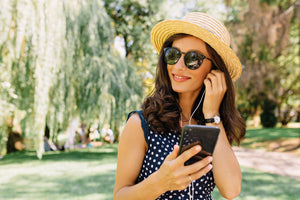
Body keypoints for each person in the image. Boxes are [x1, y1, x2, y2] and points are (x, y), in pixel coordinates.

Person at [113, 12, 246, 200]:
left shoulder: (213, 124)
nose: (178, 66)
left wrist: (212, 114)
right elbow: (120, 196)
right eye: (173, 55)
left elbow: (231, 190)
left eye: (193, 58)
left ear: (214, 70)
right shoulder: (141, 123)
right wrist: (160, 182)